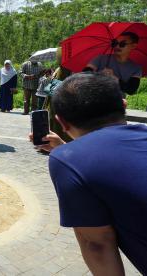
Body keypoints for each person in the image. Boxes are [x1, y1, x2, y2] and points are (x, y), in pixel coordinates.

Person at [31, 72, 147, 275]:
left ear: (62, 123)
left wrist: (68, 154)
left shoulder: (67, 160)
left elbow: (97, 245)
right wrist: (68, 149)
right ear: (124, 104)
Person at [84, 31, 142, 96]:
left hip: (117, 102)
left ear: (133, 46)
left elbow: (131, 90)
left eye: (122, 44)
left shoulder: (136, 68)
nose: (117, 46)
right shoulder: (100, 59)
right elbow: (84, 76)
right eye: (115, 43)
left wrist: (114, 78)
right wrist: (99, 75)